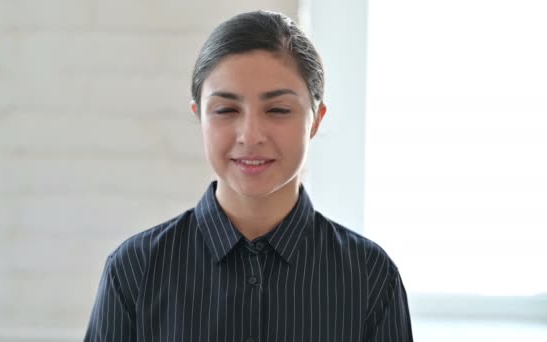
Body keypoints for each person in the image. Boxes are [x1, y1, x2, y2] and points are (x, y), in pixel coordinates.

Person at [84, 10, 413, 342]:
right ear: (199, 116)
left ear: (316, 120)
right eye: (226, 110)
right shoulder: (135, 270)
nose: (251, 135)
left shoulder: (371, 277)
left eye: (278, 110)